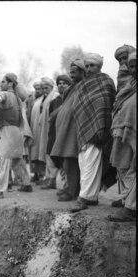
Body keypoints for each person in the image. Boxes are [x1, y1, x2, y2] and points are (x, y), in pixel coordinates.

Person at [70, 53, 116, 212]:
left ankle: (83, 198)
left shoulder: (106, 81)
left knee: (91, 163)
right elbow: (77, 107)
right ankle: (93, 197)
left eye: (92, 66)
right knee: (85, 164)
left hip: (99, 129)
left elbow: (106, 106)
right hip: (83, 128)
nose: (89, 69)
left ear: (99, 66)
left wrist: (101, 127)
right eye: (87, 66)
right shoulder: (82, 85)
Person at [0, 73, 33, 200]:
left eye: (3, 82)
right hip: (17, 131)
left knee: (0, 159)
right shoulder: (18, 98)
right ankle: (26, 184)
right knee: (16, 160)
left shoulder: (6, 94)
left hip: (8, 131)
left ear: (10, 83)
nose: (1, 84)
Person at [51, 60, 85, 201]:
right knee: (67, 161)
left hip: (74, 131)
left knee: (71, 162)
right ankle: (69, 188)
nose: (71, 74)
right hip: (66, 132)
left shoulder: (83, 86)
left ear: (83, 71)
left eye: (74, 71)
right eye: (70, 71)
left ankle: (72, 191)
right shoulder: (73, 88)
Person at [108, 52, 136, 222]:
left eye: (136, 66)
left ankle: (130, 209)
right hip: (124, 133)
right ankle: (128, 201)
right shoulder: (131, 85)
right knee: (124, 168)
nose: (134, 69)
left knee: (134, 170)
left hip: (132, 133)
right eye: (131, 66)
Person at [41, 75, 71, 190]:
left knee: (65, 161)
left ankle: (67, 186)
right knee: (51, 157)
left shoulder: (71, 99)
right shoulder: (54, 101)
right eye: (59, 83)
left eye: (64, 83)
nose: (61, 85)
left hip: (66, 134)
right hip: (54, 133)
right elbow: (50, 118)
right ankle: (51, 180)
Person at [29, 77, 59, 185]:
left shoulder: (55, 97)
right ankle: (46, 177)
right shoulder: (40, 100)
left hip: (50, 130)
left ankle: (51, 179)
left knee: (50, 154)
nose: (44, 90)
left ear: (51, 87)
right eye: (43, 88)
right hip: (40, 131)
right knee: (44, 153)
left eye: (46, 87)